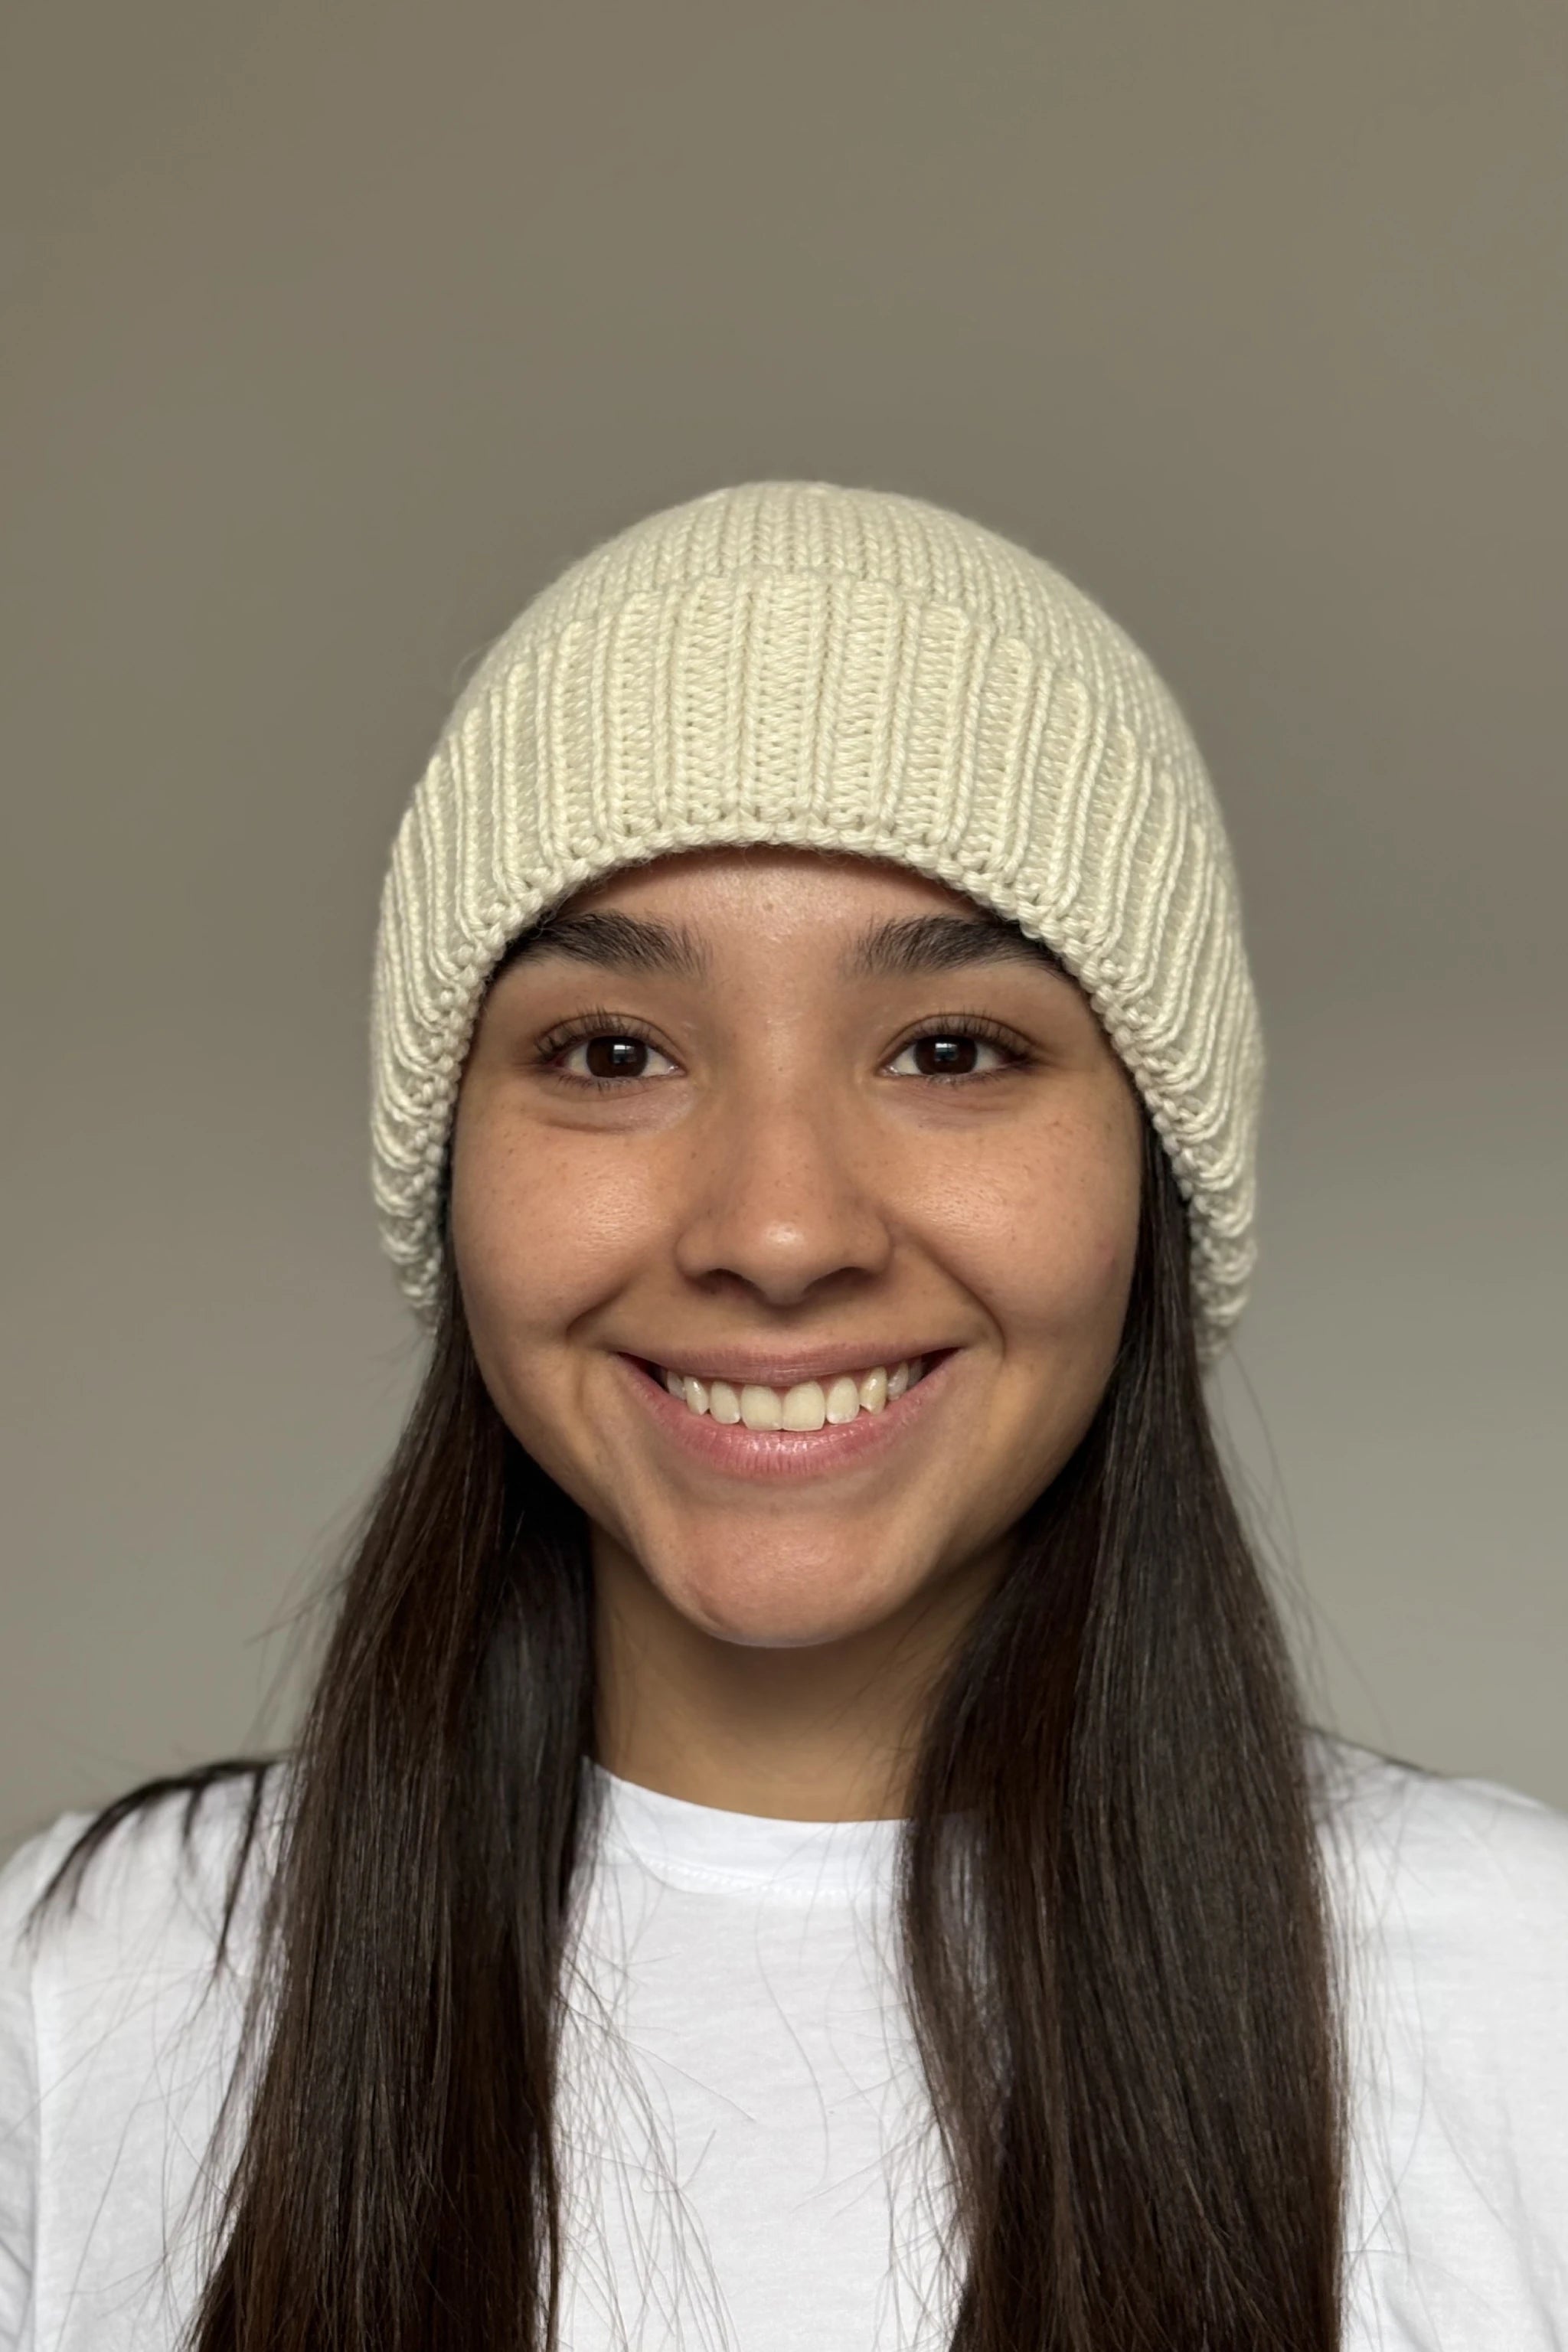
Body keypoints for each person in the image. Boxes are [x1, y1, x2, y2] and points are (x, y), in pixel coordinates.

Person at [1, 481, 1563, 2352]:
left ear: (1151, 1169)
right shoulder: (82, 2003)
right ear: (449, 1165)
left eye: (953, 1051)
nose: (778, 1230)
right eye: (609, 1053)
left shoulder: (1520, 2002)